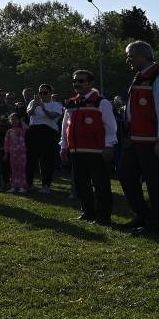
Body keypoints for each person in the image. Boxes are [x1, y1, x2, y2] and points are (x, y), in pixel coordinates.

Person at [60, 70, 117, 225]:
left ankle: (103, 217)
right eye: (74, 81)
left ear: (90, 83)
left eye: (81, 81)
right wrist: (63, 146)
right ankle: (88, 212)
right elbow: (65, 127)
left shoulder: (101, 102)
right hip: (76, 151)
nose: (76, 84)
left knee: (101, 185)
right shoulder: (71, 103)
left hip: (97, 151)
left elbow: (111, 127)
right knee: (80, 183)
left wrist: (109, 146)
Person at [118, 41, 159, 235]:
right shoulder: (139, 77)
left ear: (142, 56)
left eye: (130, 56)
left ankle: (154, 224)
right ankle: (142, 214)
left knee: (154, 183)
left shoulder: (157, 77)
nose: (128, 60)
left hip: (151, 140)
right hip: (134, 139)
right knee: (125, 173)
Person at [26, 83, 63, 193]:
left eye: (45, 93)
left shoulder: (56, 105)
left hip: (49, 133)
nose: (42, 95)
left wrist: (43, 107)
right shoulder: (33, 102)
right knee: (30, 159)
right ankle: (29, 183)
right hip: (34, 132)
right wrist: (34, 106)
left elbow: (52, 116)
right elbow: (29, 114)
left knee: (47, 160)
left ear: (50, 93)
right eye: (40, 93)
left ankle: (46, 185)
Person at [4, 112, 29, 193]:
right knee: (14, 170)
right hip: (12, 154)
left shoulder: (23, 129)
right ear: (10, 121)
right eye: (12, 119)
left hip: (22, 153)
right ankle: (14, 186)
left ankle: (22, 186)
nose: (14, 121)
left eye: (16, 119)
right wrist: (6, 154)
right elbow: (6, 143)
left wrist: (21, 121)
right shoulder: (9, 131)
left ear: (19, 120)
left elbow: (26, 126)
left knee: (21, 169)